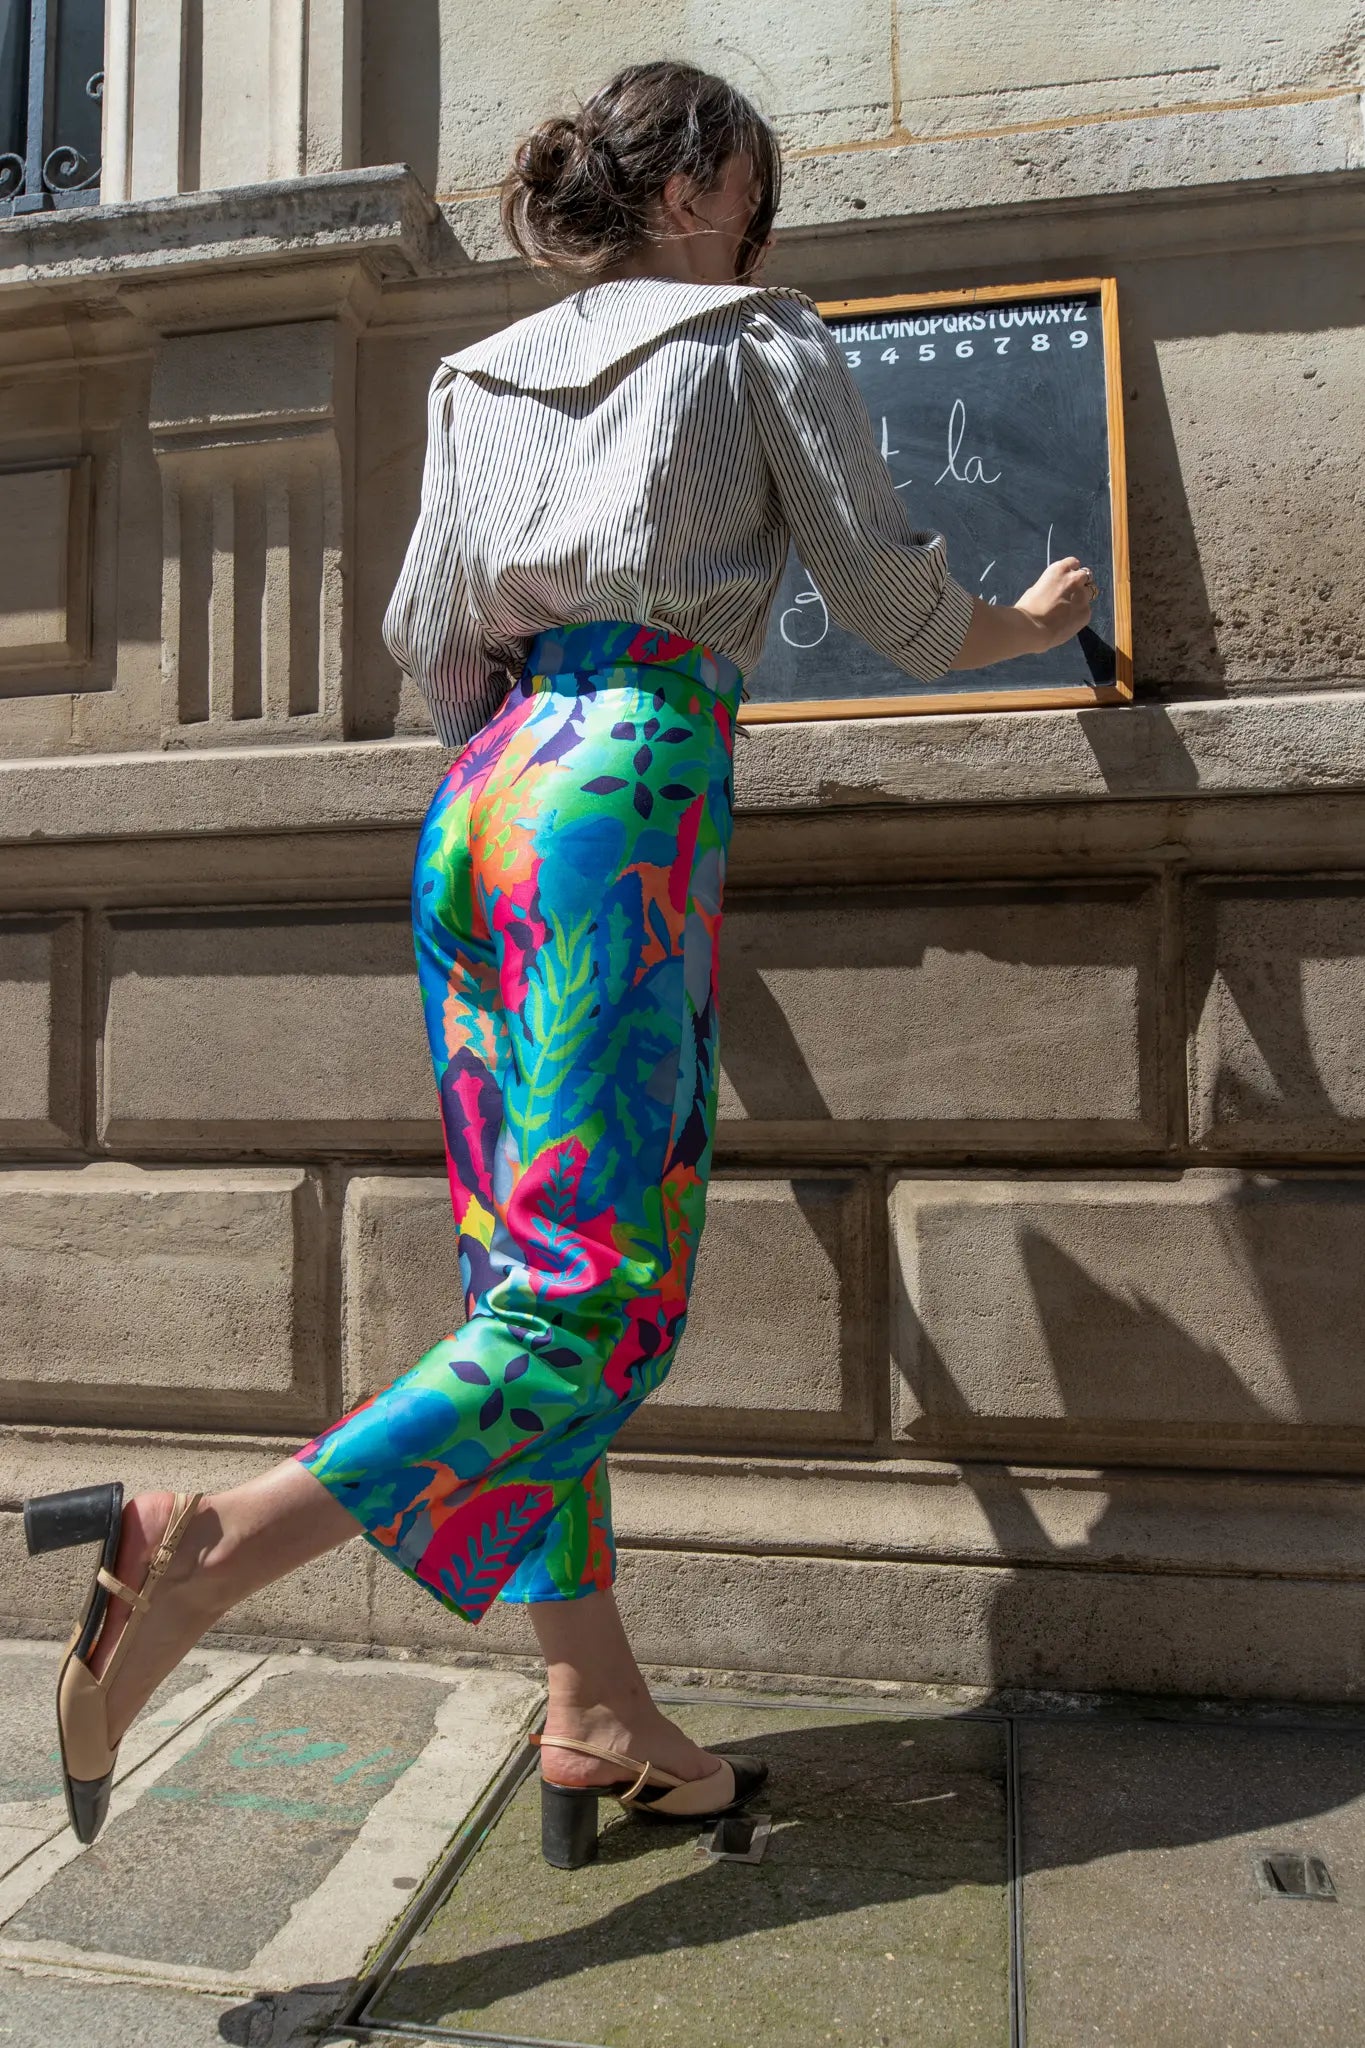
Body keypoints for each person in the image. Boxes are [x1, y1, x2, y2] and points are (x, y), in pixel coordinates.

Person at [24, 59, 1094, 1870]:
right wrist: (1033, 621)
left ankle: (594, 1709)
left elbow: (427, 631)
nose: (761, 228)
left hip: (485, 794)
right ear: (691, 191)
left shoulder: (477, 372)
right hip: (628, 777)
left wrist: (527, 775)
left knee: (521, 1273)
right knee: (595, 1296)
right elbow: (894, 604)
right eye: (751, 195)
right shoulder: (751, 336)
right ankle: (205, 1551)